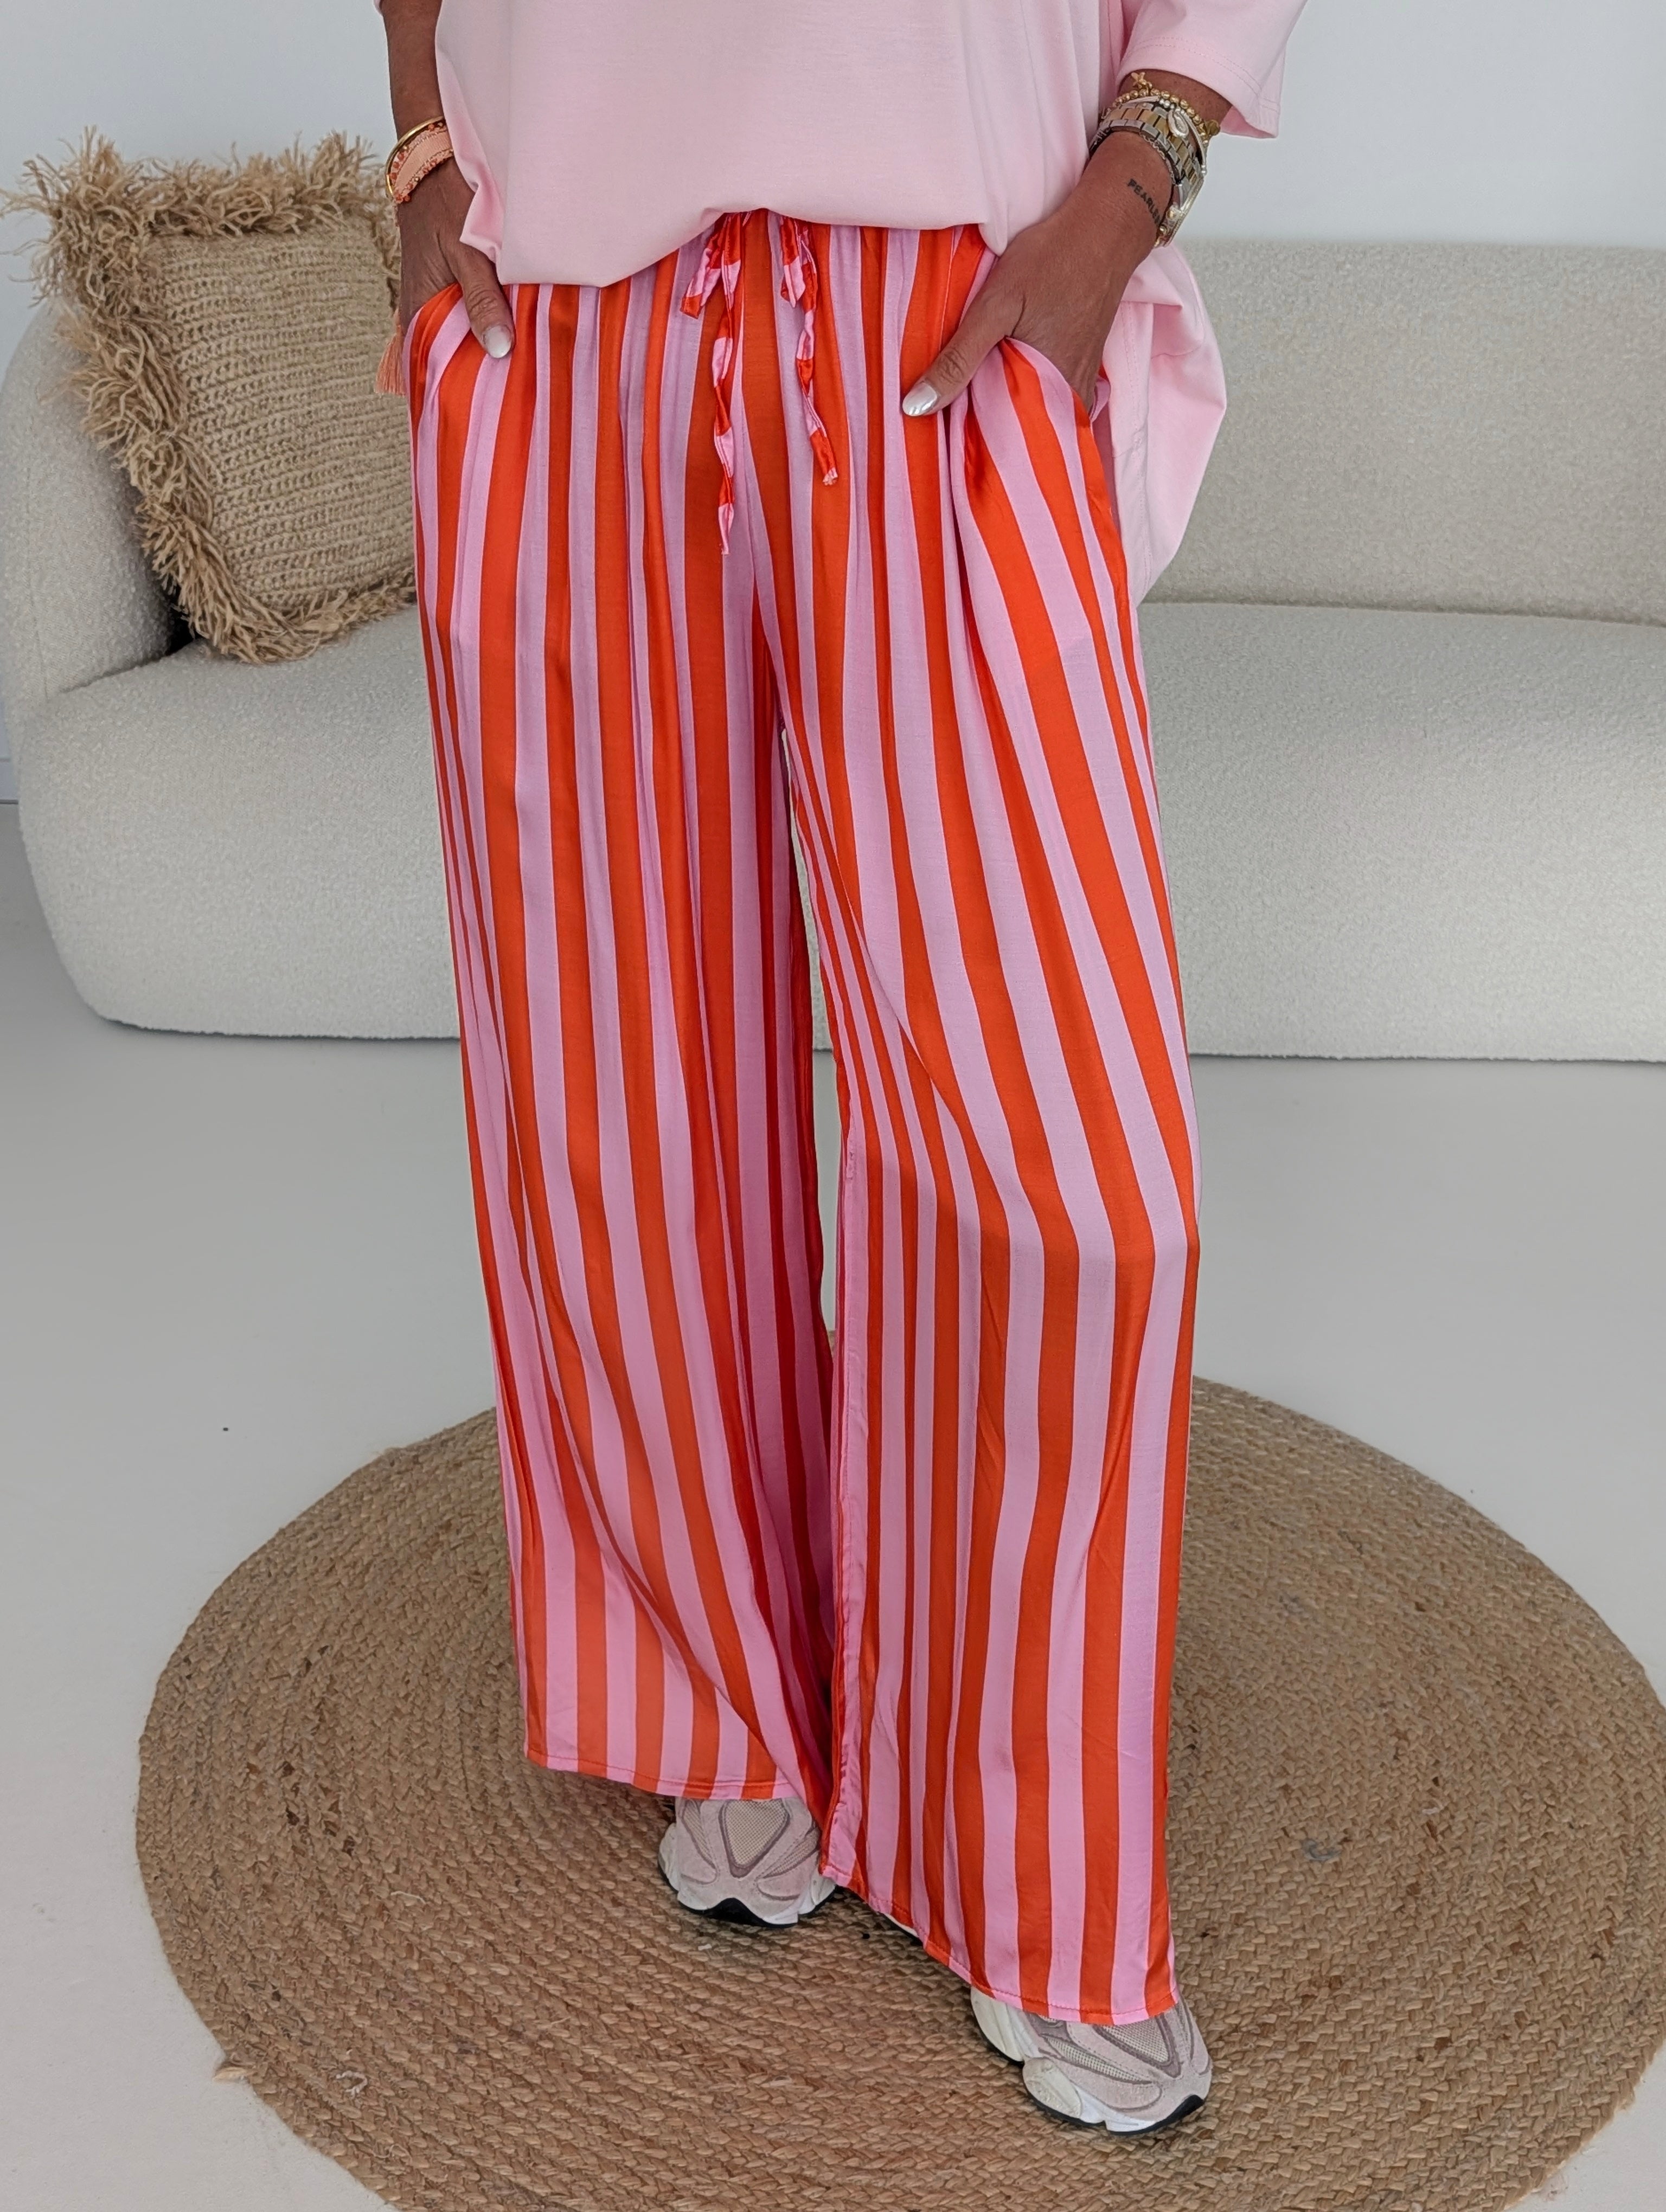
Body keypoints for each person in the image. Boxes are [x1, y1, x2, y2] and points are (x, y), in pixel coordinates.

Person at [376, 0, 1305, 2139]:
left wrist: (1127, 196)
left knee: (1072, 1172)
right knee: (620, 1094)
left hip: (956, 304)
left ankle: (1039, 1871)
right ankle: (732, 1700)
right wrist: (421, 154)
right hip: (567, 314)